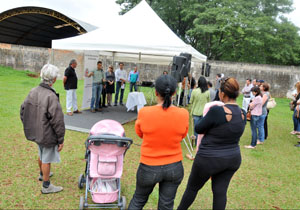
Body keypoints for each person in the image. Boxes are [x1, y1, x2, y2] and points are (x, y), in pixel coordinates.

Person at [177, 78, 246, 210]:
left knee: (192, 188)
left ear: (222, 94)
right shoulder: (242, 113)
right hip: (232, 159)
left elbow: (199, 128)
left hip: (208, 159)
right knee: (220, 192)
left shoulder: (217, 111)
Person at [128, 75, 189, 210]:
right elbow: (182, 135)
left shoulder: (144, 112)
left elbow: (140, 133)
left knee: (138, 200)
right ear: (174, 93)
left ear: (156, 92)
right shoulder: (183, 113)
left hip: (149, 166)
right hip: (174, 166)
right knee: (166, 205)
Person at [20, 64, 65, 194]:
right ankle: (46, 185)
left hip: (37, 132)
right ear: (54, 79)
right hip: (46, 134)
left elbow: (22, 111)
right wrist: (60, 139)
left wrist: (30, 125)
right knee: (47, 158)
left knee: (41, 153)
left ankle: (42, 174)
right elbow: (57, 120)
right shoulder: (51, 96)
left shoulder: (33, 91)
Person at [190, 76, 210, 146]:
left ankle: (196, 142)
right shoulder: (207, 92)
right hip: (204, 112)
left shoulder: (194, 91)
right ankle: (202, 142)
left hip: (195, 112)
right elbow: (208, 102)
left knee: (196, 128)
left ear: (198, 83)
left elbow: (191, 101)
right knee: (203, 129)